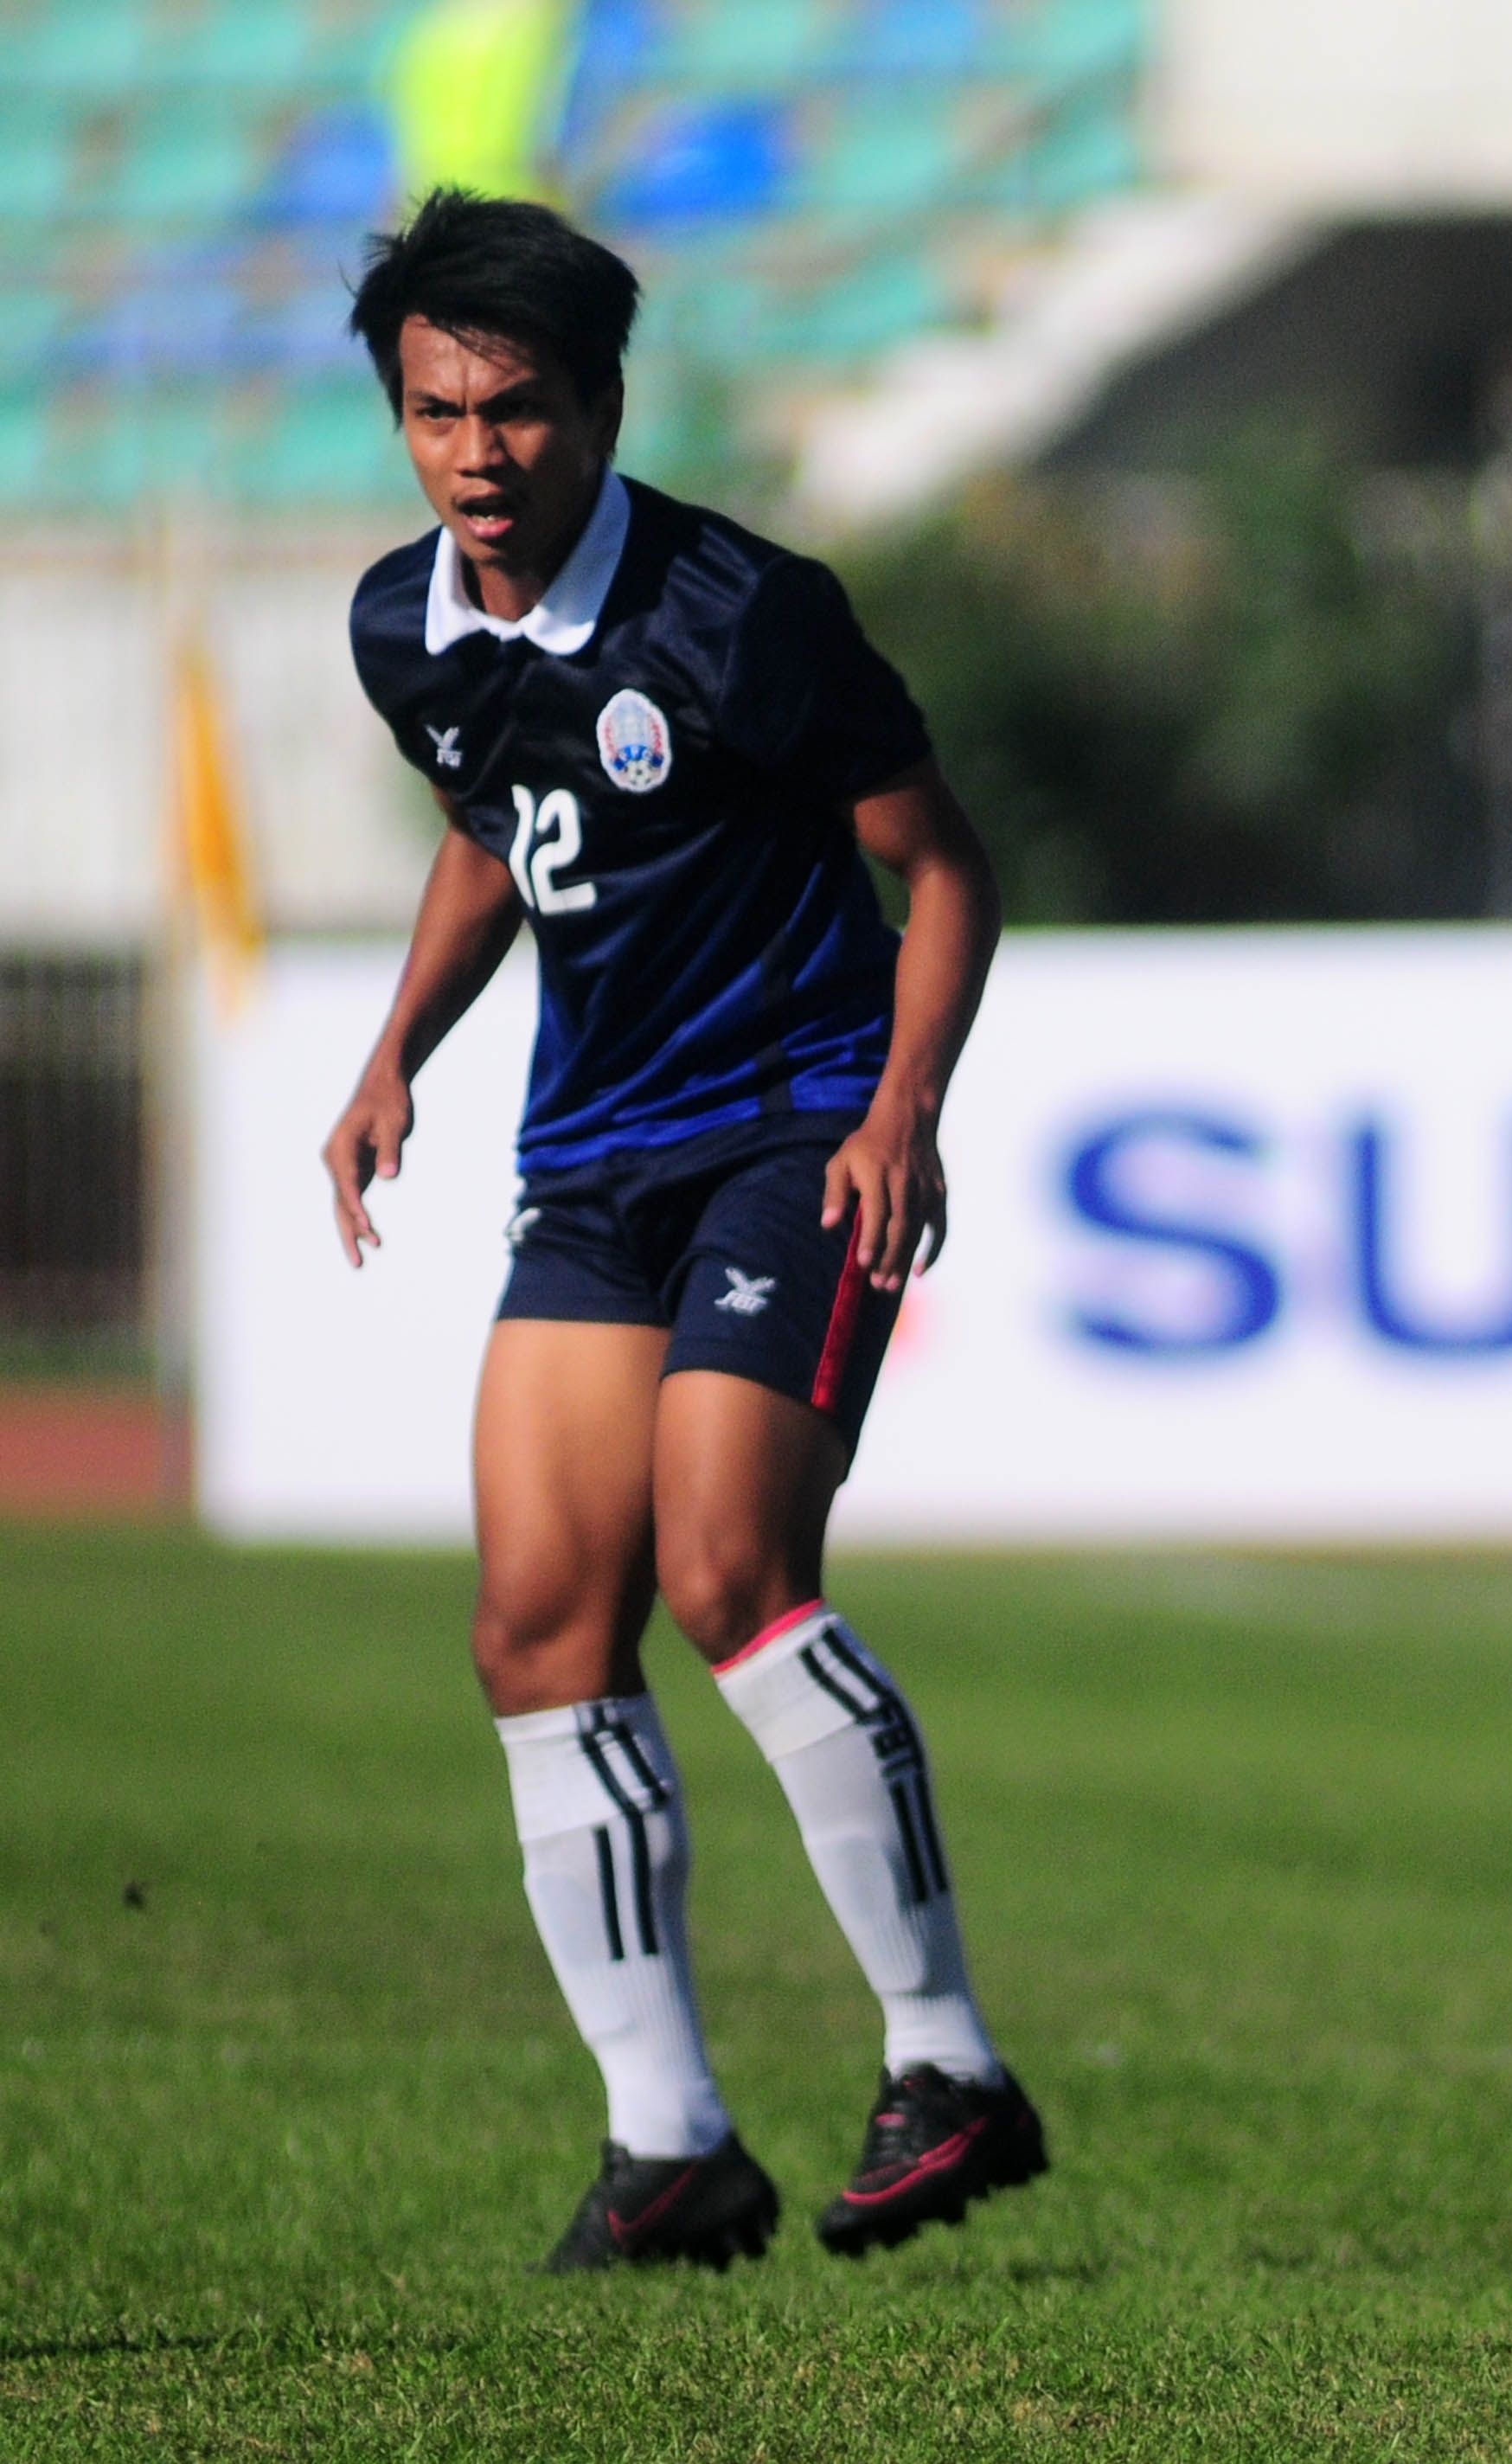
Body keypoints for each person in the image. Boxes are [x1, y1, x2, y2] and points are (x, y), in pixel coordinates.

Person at [323, 192, 1046, 2271]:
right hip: (593, 1166)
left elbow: (946, 867)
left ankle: (949, 2064)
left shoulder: (744, 614)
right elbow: (499, 829)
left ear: (600, 409)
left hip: (795, 1135)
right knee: (535, 1631)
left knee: (729, 1564)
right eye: (438, 412)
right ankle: (672, 2144)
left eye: (521, 412)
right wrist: (398, 1053)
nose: (479, 455)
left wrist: (903, 1108)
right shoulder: (405, 624)